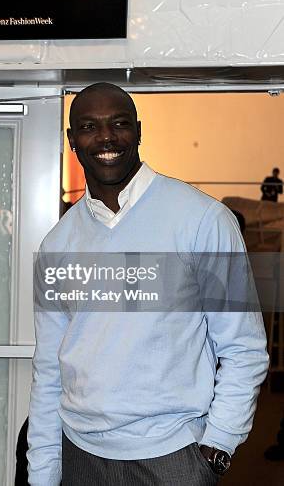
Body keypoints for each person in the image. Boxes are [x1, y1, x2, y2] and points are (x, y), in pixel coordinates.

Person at [27, 83, 269, 485]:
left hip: (175, 457)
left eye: (119, 123)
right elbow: (49, 370)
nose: (105, 137)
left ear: (138, 131)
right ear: (72, 140)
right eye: (89, 126)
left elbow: (244, 348)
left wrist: (218, 445)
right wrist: (44, 473)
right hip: (80, 456)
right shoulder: (58, 243)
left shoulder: (202, 219)